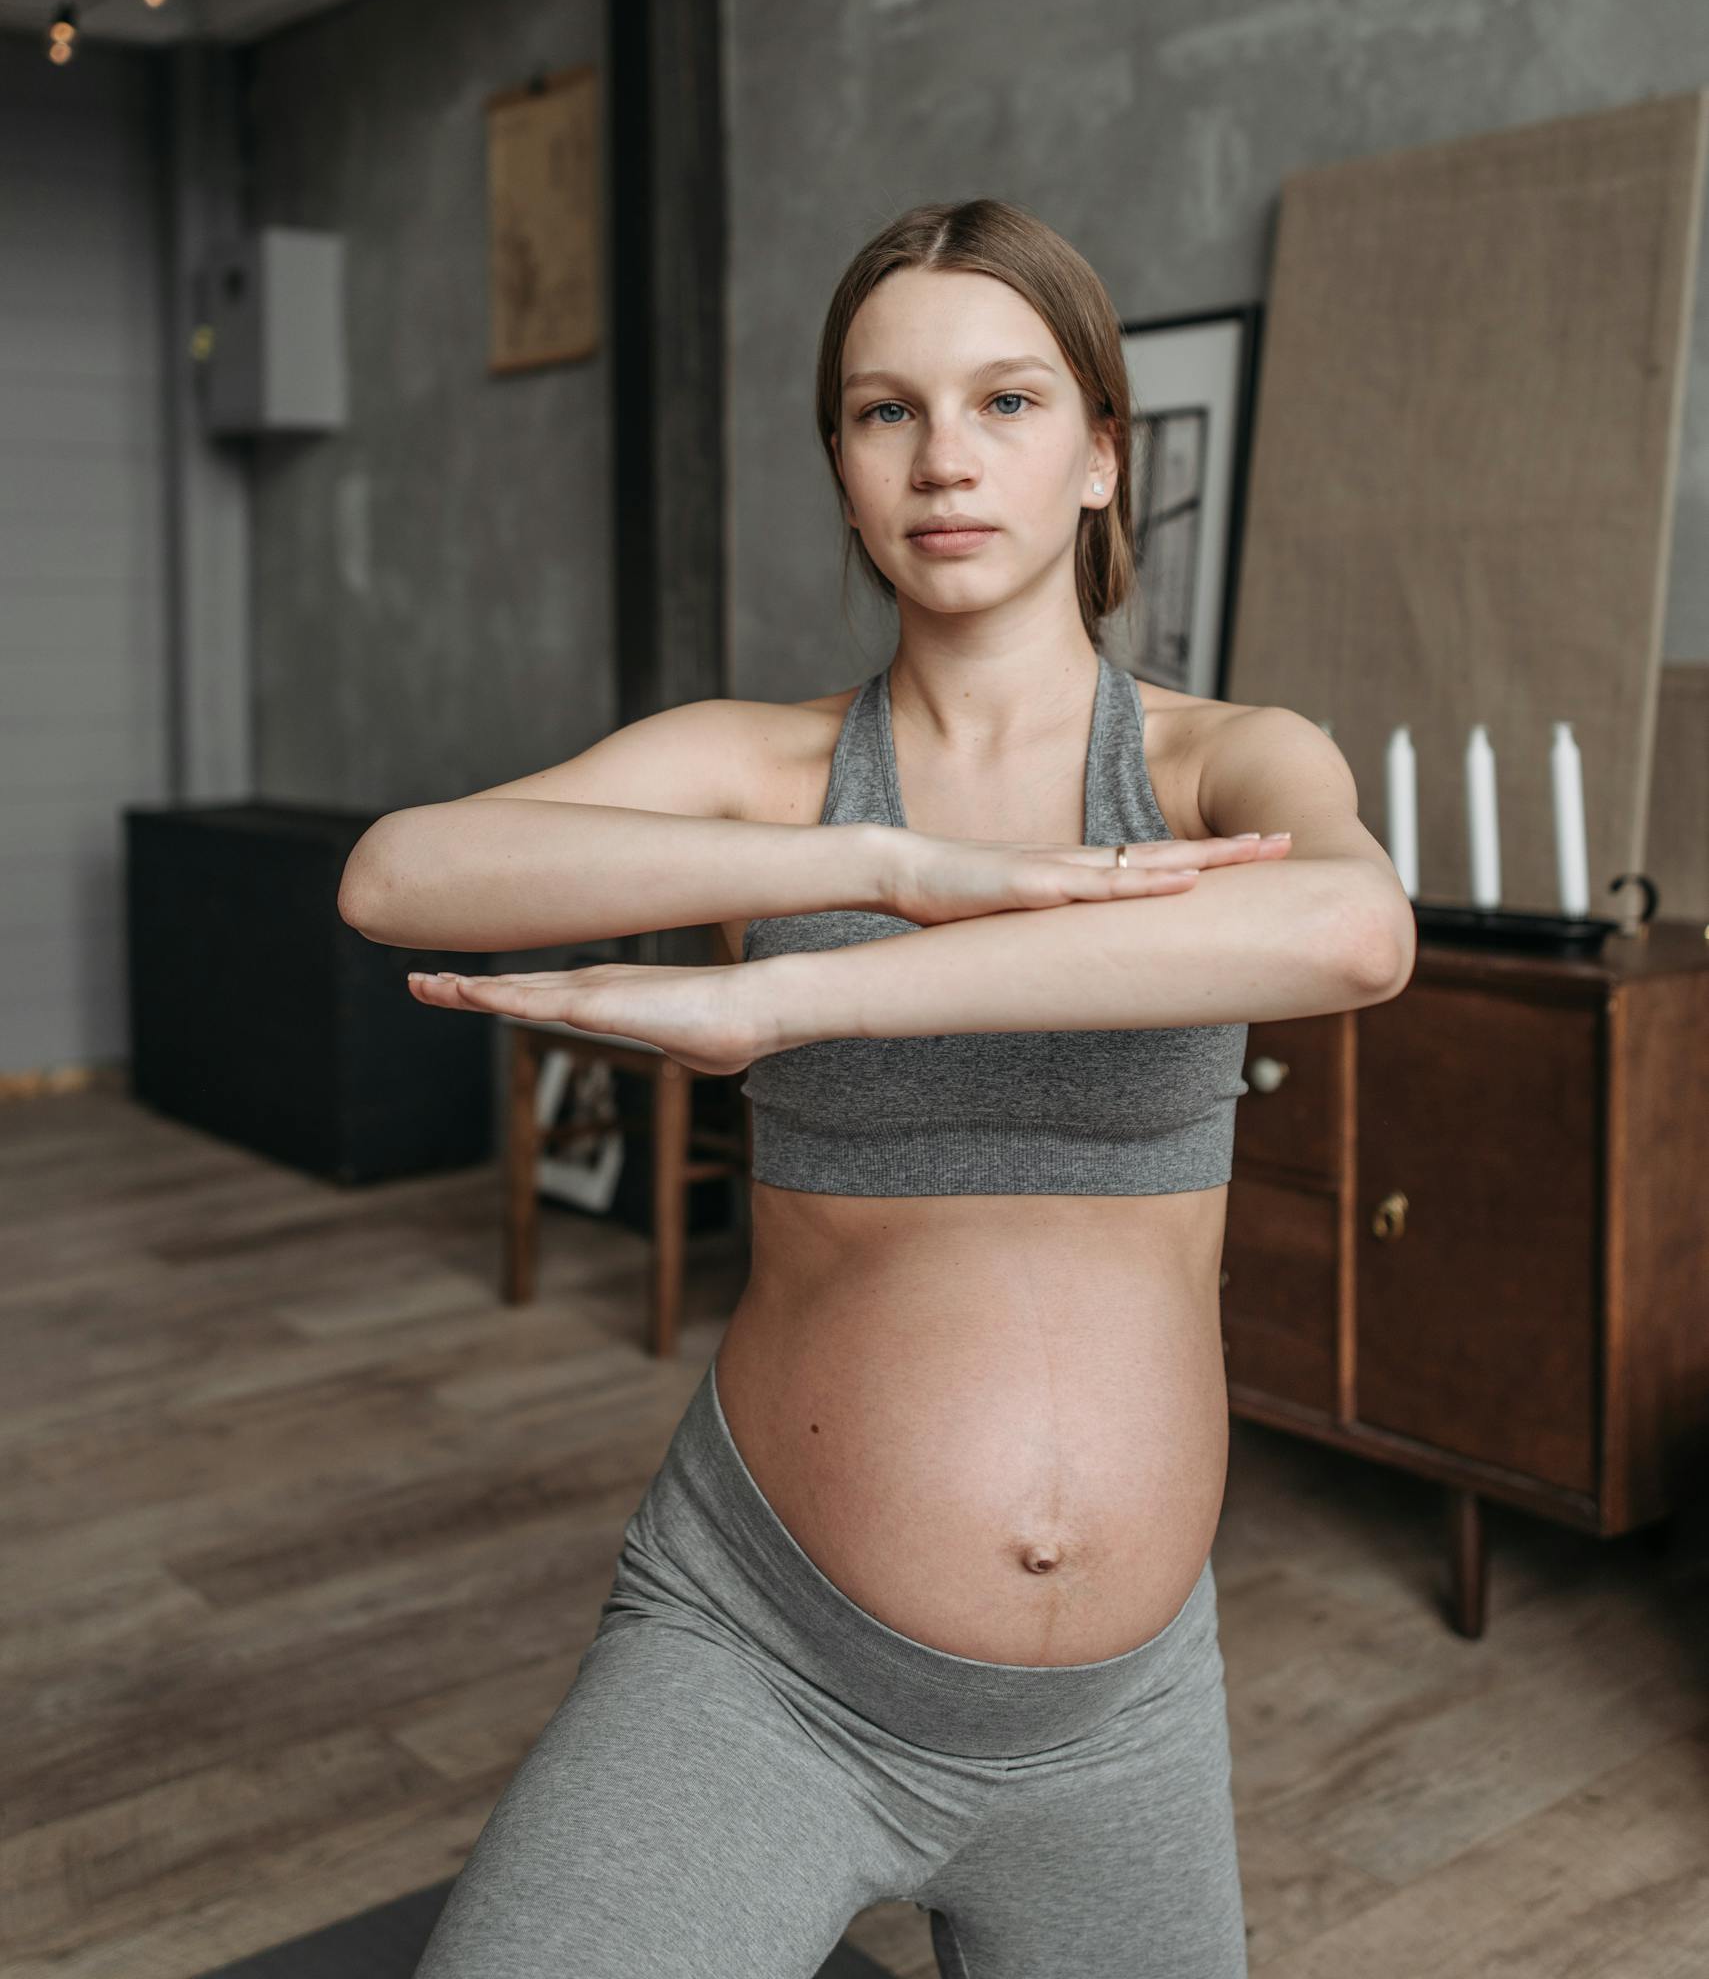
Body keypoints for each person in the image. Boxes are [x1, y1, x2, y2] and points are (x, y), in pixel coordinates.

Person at [341, 197, 1415, 1979]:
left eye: (1005, 402)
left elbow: (1355, 932)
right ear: (839, 466)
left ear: (1098, 458)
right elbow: (400, 874)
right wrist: (890, 861)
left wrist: (805, 993)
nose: (942, 460)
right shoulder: (764, 772)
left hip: (1123, 1723)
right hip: (758, 1660)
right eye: (882, 410)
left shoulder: (1222, 758)